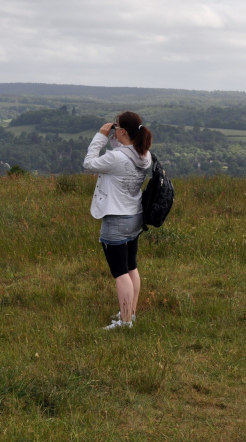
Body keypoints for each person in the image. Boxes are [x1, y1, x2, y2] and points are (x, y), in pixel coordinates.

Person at [83, 111, 152, 330]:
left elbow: (89, 163)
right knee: (131, 267)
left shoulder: (116, 158)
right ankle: (130, 313)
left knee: (120, 273)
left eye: (117, 129)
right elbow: (123, 153)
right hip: (135, 217)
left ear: (122, 131)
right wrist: (117, 137)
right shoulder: (144, 154)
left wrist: (101, 136)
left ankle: (125, 323)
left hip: (116, 220)